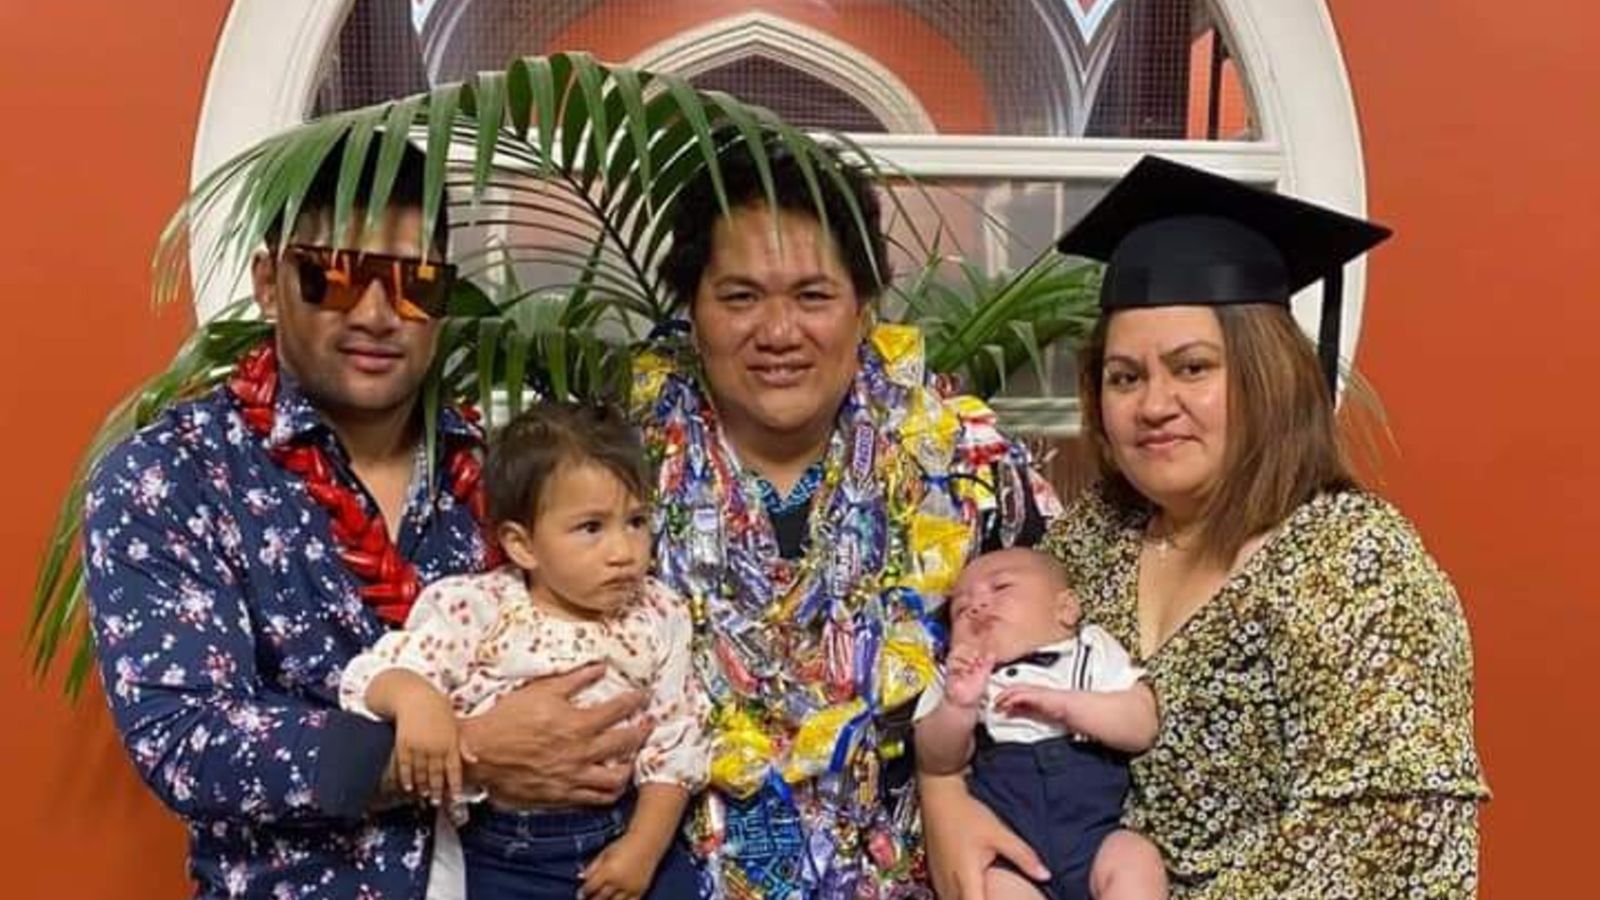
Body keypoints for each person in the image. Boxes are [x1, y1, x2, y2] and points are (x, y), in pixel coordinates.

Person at [84, 138, 653, 899]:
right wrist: (466, 754)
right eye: (338, 277)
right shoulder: (171, 474)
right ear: (268, 280)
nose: (380, 314)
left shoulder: (511, 478)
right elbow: (187, 740)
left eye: (414, 284)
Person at [922, 156, 1489, 898]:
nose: (1153, 404)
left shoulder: (1356, 564)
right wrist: (946, 805)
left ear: (1268, 375)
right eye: (1125, 377)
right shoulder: (1092, 537)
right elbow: (976, 697)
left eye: (1192, 368)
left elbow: (1391, 837)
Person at [632, 130, 1061, 897]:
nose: (778, 332)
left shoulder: (972, 470)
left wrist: (954, 793)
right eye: (739, 297)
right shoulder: (611, 473)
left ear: (863, 307)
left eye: (813, 295)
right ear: (691, 310)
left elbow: (1055, 672)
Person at [339, 401, 707, 900]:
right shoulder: (477, 609)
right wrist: (415, 700)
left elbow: (675, 743)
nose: (624, 551)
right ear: (522, 545)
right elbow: (371, 677)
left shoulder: (659, 614)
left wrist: (642, 848)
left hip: (622, 831)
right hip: (504, 852)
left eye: (636, 521)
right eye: (592, 528)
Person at [913, 548, 1165, 900]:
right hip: (1009, 844)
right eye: (960, 608)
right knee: (991, 890)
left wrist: (1068, 706)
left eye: (1000, 588)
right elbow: (935, 758)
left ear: (1065, 609)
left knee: (1137, 859)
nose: (975, 605)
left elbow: (1142, 724)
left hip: (1093, 838)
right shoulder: (956, 675)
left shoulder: (1088, 651)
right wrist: (958, 707)